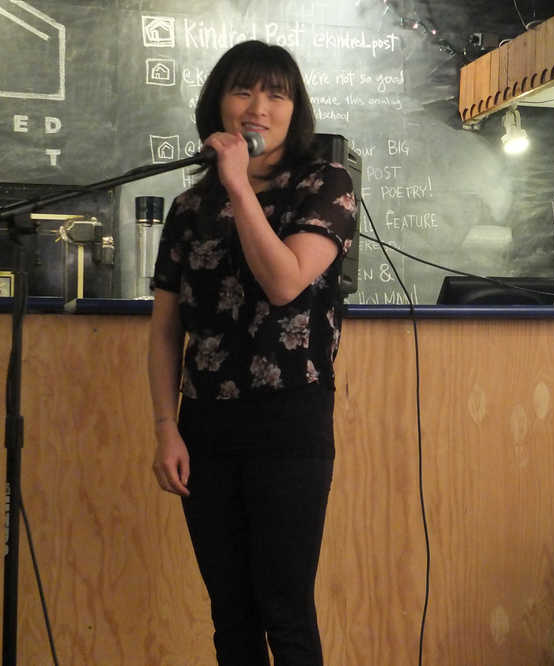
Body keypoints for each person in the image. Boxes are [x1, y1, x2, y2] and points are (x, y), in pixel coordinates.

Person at [147, 40, 356, 666]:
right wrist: (165, 428)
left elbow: (286, 281)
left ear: (296, 111)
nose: (258, 107)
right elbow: (164, 329)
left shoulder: (326, 184)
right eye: (243, 90)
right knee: (230, 616)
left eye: (276, 94)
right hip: (205, 424)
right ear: (218, 104)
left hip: (289, 420)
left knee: (285, 611)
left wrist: (238, 187)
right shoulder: (188, 209)